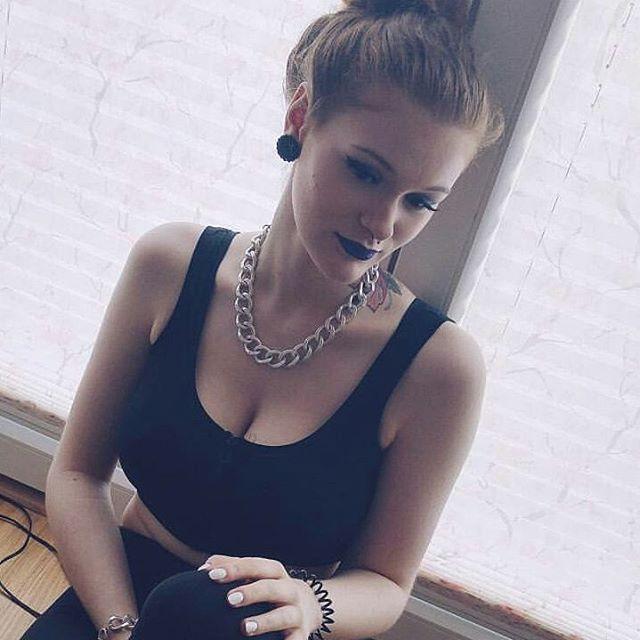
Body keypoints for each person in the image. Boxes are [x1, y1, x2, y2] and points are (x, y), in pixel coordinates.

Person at [20, 1, 504, 639]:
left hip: (265, 627)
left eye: (420, 202)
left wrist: (311, 604)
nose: (384, 225)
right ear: (301, 118)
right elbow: (77, 475)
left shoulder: (439, 370)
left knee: (201, 612)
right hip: (115, 595)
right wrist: (121, 627)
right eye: (365, 172)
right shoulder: (169, 267)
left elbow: (386, 583)